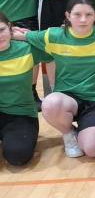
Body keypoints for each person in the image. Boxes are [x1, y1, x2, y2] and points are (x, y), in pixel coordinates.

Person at [12, 0, 95, 158]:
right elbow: (23, 35)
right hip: (67, 98)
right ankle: (69, 133)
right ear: (68, 16)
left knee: (92, 150)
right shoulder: (54, 36)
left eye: (88, 14)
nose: (83, 20)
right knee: (50, 103)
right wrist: (10, 31)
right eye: (77, 14)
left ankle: (88, 129)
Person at [0, 12, 51, 165]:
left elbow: (57, 48)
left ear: (10, 27)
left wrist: (29, 36)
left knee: (17, 155)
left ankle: (12, 138)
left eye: (1, 30)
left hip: (21, 115)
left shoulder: (26, 49)